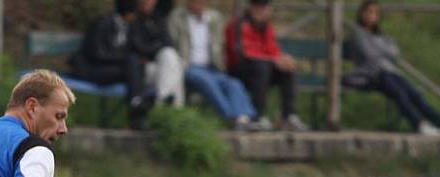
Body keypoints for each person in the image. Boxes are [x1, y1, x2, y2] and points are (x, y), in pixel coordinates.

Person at [344, 0, 440, 136]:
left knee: (415, 94)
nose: (372, 16)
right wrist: (385, 49)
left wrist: (381, 49)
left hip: (389, 74)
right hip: (370, 76)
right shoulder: (358, 34)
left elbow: (395, 53)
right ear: (361, 14)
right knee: (399, 94)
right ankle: (419, 125)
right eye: (369, 12)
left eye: (375, 13)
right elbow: (370, 54)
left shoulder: (381, 35)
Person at [168, 0, 257, 131]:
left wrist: (220, 65)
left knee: (234, 83)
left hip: (211, 68)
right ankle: (231, 117)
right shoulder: (177, 17)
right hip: (188, 66)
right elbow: (172, 43)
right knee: (207, 82)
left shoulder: (215, 18)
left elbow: (220, 45)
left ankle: (244, 118)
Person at [225, 0, 308, 131]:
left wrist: (283, 59)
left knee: (287, 69)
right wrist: (272, 60)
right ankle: (257, 116)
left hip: (262, 69)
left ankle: (288, 116)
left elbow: (273, 50)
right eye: (259, 7)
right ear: (252, 8)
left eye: (265, 7)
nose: (263, 10)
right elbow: (242, 54)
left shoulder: (266, 27)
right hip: (239, 69)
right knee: (262, 68)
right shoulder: (239, 25)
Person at [69, 0, 150, 129]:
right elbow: (96, 54)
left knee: (135, 65)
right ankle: (137, 104)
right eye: (134, 13)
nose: (136, 16)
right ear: (128, 12)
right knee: (132, 65)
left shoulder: (128, 26)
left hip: (108, 69)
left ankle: (136, 106)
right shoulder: (102, 23)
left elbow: (136, 47)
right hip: (90, 69)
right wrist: (124, 59)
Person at [130, 0, 185, 108]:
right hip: (142, 70)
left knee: (170, 56)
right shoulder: (133, 20)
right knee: (175, 68)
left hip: (160, 65)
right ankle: (174, 110)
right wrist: (159, 45)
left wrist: (154, 47)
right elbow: (139, 48)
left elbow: (169, 43)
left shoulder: (159, 19)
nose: (146, 2)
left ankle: (162, 103)